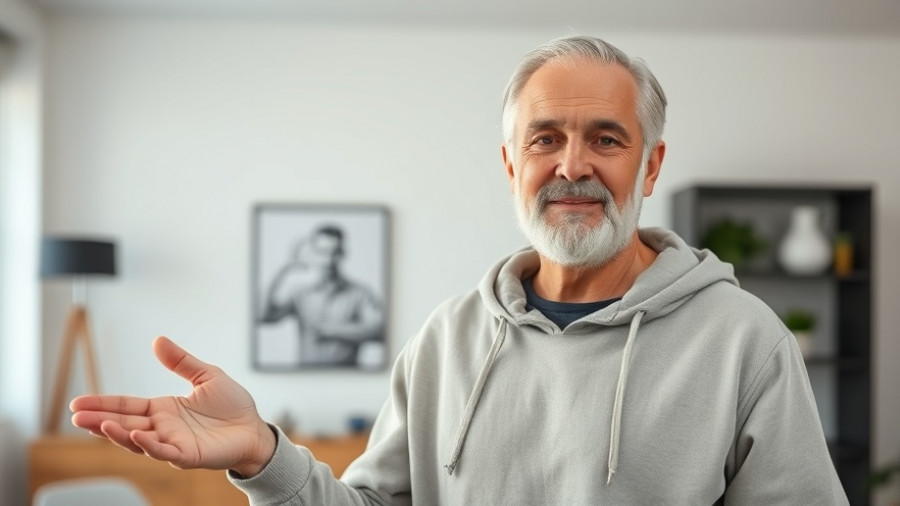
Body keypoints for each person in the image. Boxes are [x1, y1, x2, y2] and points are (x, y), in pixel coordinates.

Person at [70, 35, 848, 504]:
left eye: (606, 140)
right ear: (512, 163)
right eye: (545, 139)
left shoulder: (745, 343)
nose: (572, 165)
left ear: (651, 166)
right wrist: (264, 457)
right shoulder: (447, 340)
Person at [259, 224, 385, 367]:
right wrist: (285, 268)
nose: (328, 260)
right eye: (322, 252)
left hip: (349, 379)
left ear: (343, 253)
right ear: (312, 253)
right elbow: (264, 317)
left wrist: (330, 330)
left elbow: (379, 331)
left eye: (335, 252)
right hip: (303, 380)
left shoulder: (361, 293)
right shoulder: (300, 294)